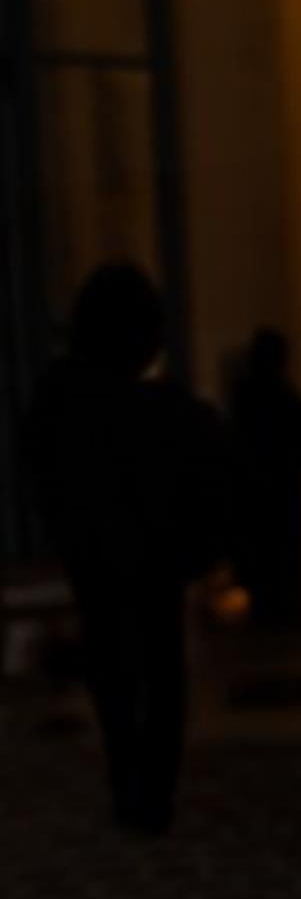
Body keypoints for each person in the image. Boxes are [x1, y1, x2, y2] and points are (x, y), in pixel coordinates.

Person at [24, 259, 231, 836]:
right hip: (151, 559)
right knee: (157, 672)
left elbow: (41, 466)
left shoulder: (63, 400)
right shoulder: (161, 411)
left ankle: (131, 795)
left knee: (115, 674)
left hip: (100, 557)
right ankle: (150, 798)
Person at [226, 324, 301, 630]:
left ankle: (271, 606)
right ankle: (274, 606)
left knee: (267, 551)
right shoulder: (263, 395)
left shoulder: (248, 395)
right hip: (273, 488)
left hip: (261, 488)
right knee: (275, 550)